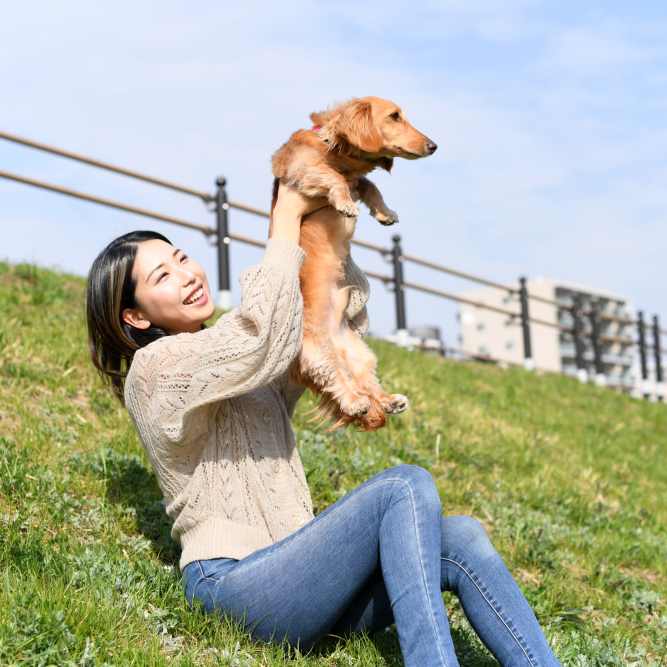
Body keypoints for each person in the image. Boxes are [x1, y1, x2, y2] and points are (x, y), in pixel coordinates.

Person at [86, 183, 561, 667]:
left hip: (304, 581)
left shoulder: (241, 360)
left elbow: (321, 323)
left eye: (182, 258)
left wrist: (330, 236)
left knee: (460, 537)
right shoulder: (155, 371)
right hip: (235, 586)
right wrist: (285, 218)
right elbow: (258, 336)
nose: (186, 275)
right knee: (403, 486)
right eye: (162, 276)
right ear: (135, 316)